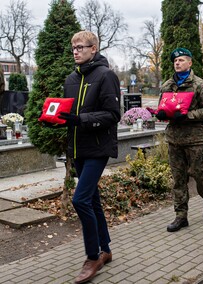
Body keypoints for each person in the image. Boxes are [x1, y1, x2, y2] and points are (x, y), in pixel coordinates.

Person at [58, 31, 121, 284]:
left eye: (80, 47)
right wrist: (56, 119)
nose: (75, 51)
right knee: (92, 201)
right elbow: (67, 112)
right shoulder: (71, 78)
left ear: (93, 49)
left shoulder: (106, 76)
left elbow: (112, 114)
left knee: (80, 199)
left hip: (98, 148)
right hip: (78, 149)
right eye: (73, 47)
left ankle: (93, 255)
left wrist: (81, 120)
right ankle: (106, 249)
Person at [156, 48, 203, 232]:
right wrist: (161, 114)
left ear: (190, 63)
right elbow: (163, 106)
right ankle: (181, 216)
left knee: (200, 176)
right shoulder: (167, 85)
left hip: (195, 139)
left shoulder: (199, 85)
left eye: (181, 60)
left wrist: (188, 116)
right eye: (175, 60)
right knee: (178, 179)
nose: (177, 63)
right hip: (175, 139)